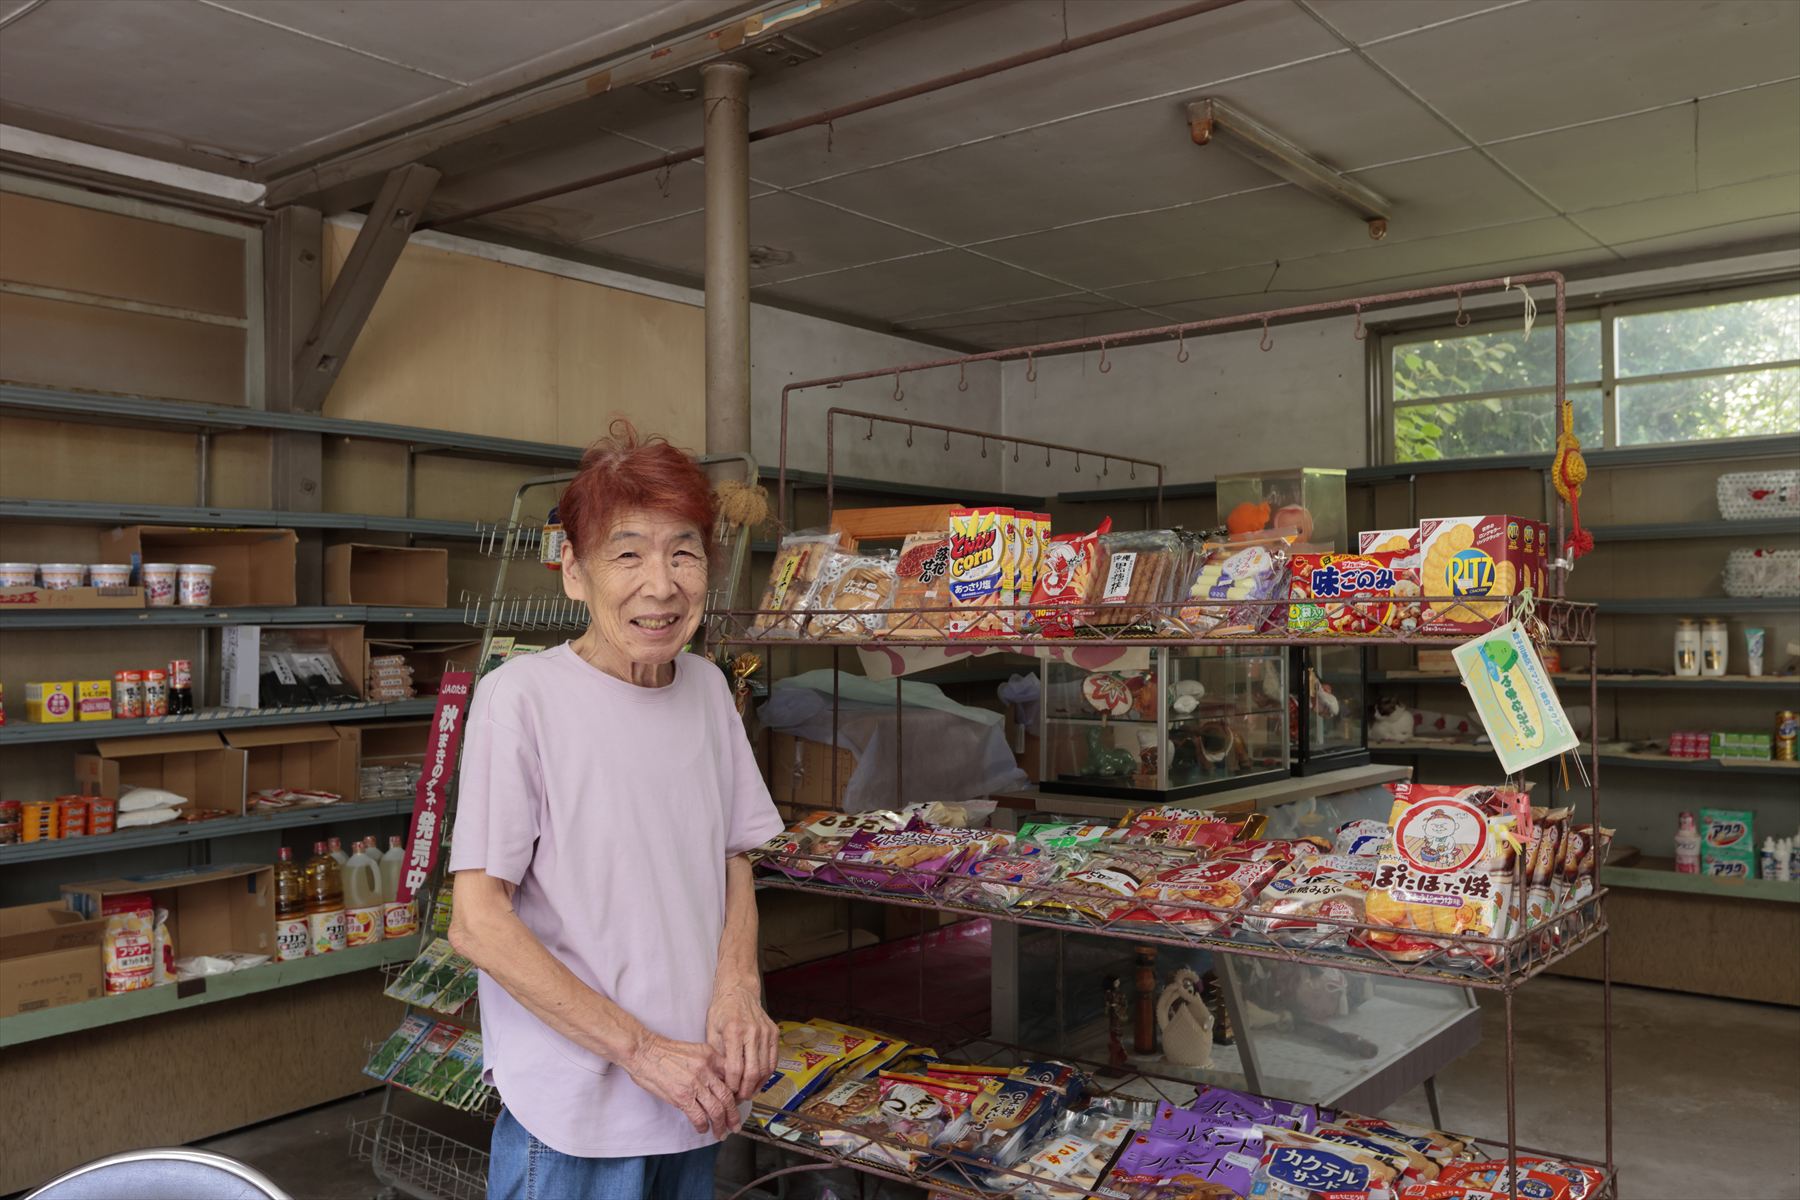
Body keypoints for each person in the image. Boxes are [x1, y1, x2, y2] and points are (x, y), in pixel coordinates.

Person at [448, 420, 785, 1200]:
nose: (660, 585)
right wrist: (640, 1051)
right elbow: (478, 921)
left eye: (684, 551)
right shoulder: (521, 700)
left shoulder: (705, 689)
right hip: (578, 1114)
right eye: (627, 553)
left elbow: (734, 851)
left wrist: (738, 987)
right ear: (573, 570)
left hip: (693, 1094)